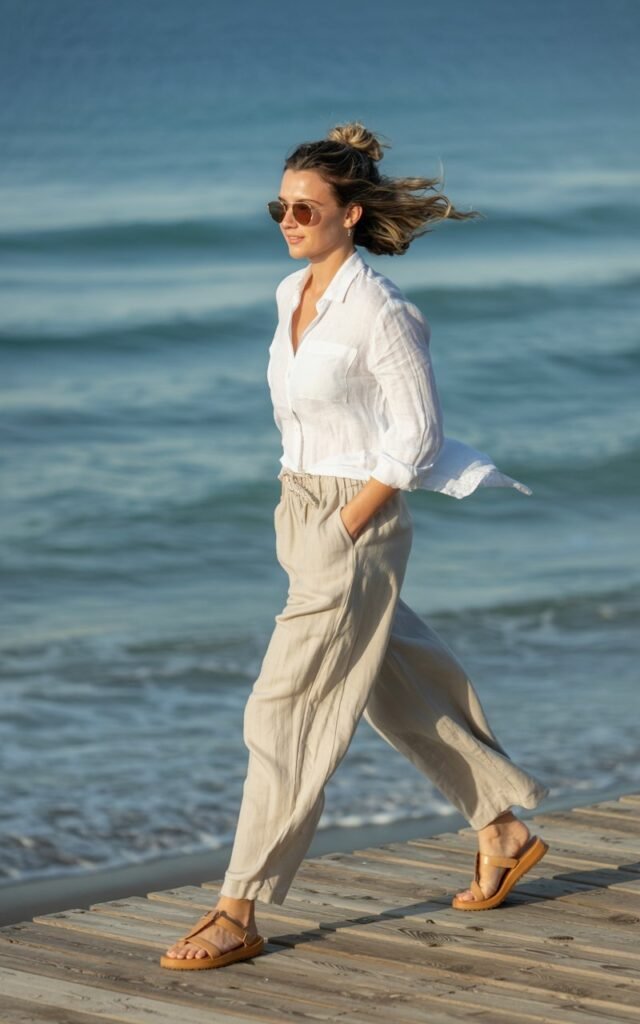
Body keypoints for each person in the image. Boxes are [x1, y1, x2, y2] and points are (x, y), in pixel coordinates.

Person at [160, 121, 550, 971]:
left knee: (284, 713)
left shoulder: (382, 311)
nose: (289, 220)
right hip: (300, 508)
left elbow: (415, 440)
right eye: (280, 206)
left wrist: (348, 523)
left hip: (352, 520)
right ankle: (504, 826)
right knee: (393, 684)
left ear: (352, 213)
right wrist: (309, 519)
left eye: (305, 208)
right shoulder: (288, 294)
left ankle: (239, 907)